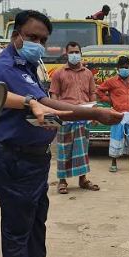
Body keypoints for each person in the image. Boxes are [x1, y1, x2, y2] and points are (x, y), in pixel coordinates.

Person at [0, 10, 122, 257]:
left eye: (43, 40)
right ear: (16, 35)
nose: (37, 44)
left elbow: (37, 109)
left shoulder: (31, 65)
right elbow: (45, 103)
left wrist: (48, 121)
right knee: (17, 228)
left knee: (36, 221)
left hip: (33, 157)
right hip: (15, 158)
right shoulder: (8, 67)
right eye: (32, 37)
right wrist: (95, 113)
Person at [49, 41, 99, 194]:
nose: (74, 55)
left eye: (77, 52)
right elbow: (54, 94)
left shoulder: (88, 73)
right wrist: (57, 112)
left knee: (82, 150)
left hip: (84, 115)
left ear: (80, 53)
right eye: (71, 52)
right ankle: (62, 181)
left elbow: (92, 93)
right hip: (66, 117)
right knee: (65, 149)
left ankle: (83, 179)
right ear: (66, 54)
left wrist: (95, 113)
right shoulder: (58, 73)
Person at [96, 56, 129, 172]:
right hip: (117, 115)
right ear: (118, 68)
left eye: (126, 67)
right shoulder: (111, 81)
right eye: (122, 67)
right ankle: (114, 163)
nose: (124, 69)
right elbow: (99, 90)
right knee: (116, 138)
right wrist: (109, 100)